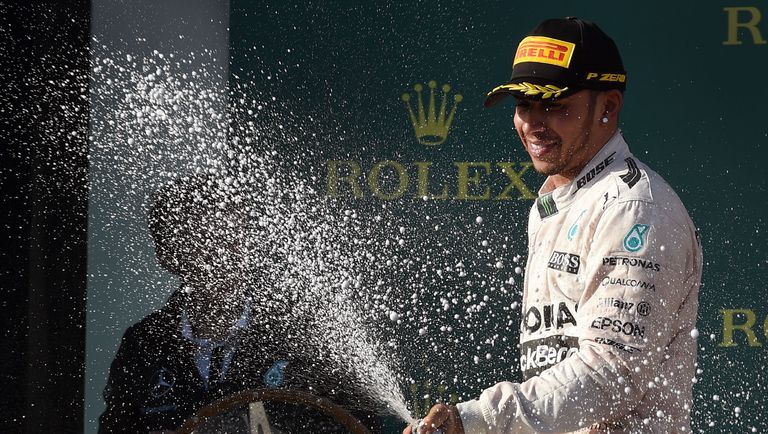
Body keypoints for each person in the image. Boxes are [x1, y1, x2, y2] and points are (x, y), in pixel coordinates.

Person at [405, 18, 702, 434]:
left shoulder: (634, 208)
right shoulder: (555, 203)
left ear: (608, 107)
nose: (532, 123)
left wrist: (475, 420)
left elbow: (610, 373)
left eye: (553, 105)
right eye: (523, 105)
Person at [98, 173, 382, 433]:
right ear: (168, 255)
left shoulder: (301, 333)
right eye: (203, 240)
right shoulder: (143, 344)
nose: (223, 256)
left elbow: (360, 424)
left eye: (233, 237)